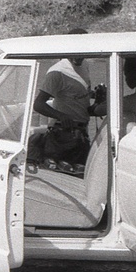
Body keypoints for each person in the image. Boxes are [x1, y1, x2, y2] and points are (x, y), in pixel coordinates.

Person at [31, 30, 105, 169]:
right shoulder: (57, 72)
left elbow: (77, 95)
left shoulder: (85, 65)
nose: (78, 57)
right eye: (74, 52)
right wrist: (61, 115)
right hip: (62, 136)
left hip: (81, 133)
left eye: (82, 52)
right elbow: (38, 104)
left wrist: (96, 95)